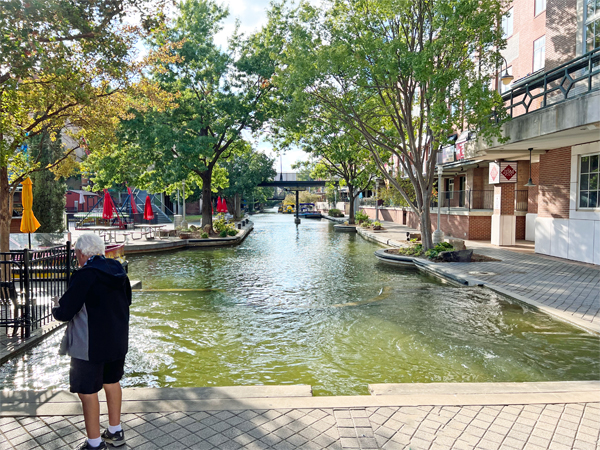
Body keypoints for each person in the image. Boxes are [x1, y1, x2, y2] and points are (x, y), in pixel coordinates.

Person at [53, 233, 131, 449]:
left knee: (87, 392)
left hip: (89, 345)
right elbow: (128, 302)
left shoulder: (85, 275)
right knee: (112, 382)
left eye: (76, 253)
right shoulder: (118, 271)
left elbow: (66, 312)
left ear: (81, 253)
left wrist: (56, 307)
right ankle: (115, 432)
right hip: (117, 341)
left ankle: (94, 443)